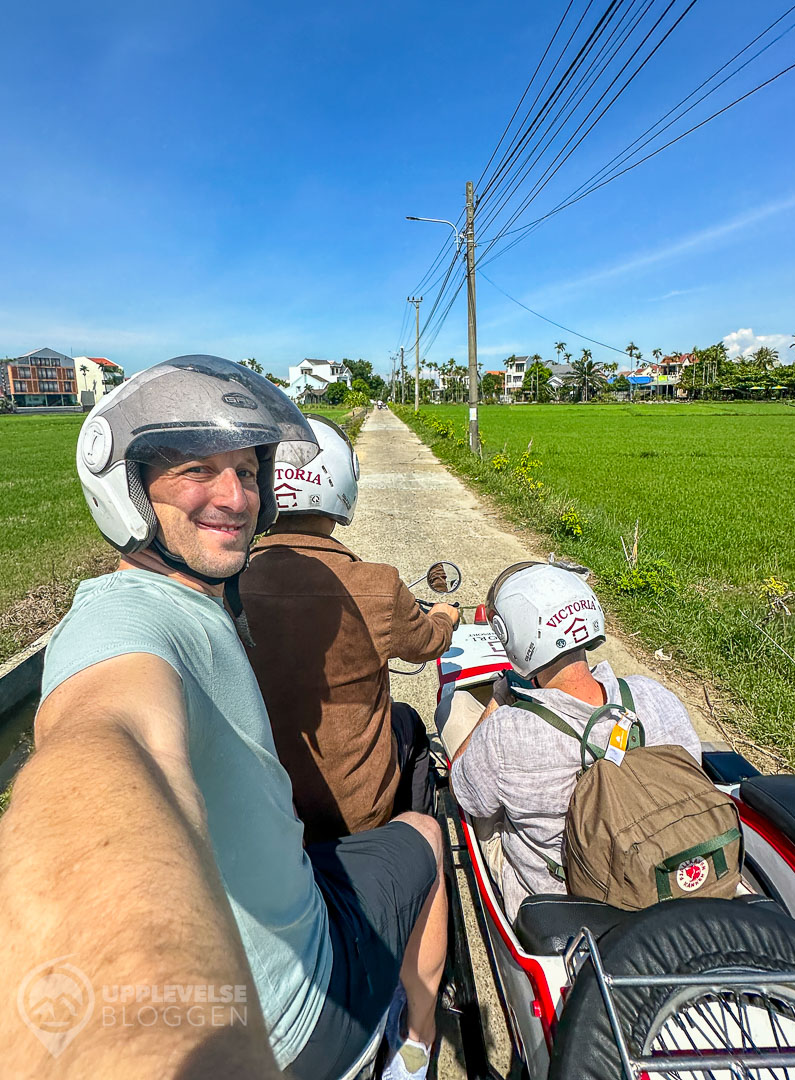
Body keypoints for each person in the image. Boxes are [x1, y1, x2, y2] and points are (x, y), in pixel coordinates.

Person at [0, 356, 447, 1080]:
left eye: (246, 470)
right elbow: (101, 742)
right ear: (128, 487)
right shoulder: (126, 622)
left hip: (286, 908)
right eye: (195, 471)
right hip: (300, 1006)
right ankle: (418, 1048)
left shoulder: (205, 600)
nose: (235, 496)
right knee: (425, 831)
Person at [240, 414, 460, 845]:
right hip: (356, 815)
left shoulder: (229, 583)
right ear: (342, 485)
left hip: (264, 809)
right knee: (408, 722)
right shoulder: (378, 584)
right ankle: (411, 840)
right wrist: (445, 616)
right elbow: (427, 644)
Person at [448, 561, 701, 923]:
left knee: (456, 716)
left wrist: (498, 700)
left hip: (570, 901)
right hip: (661, 874)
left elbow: (464, 792)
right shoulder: (655, 696)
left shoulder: (505, 733)